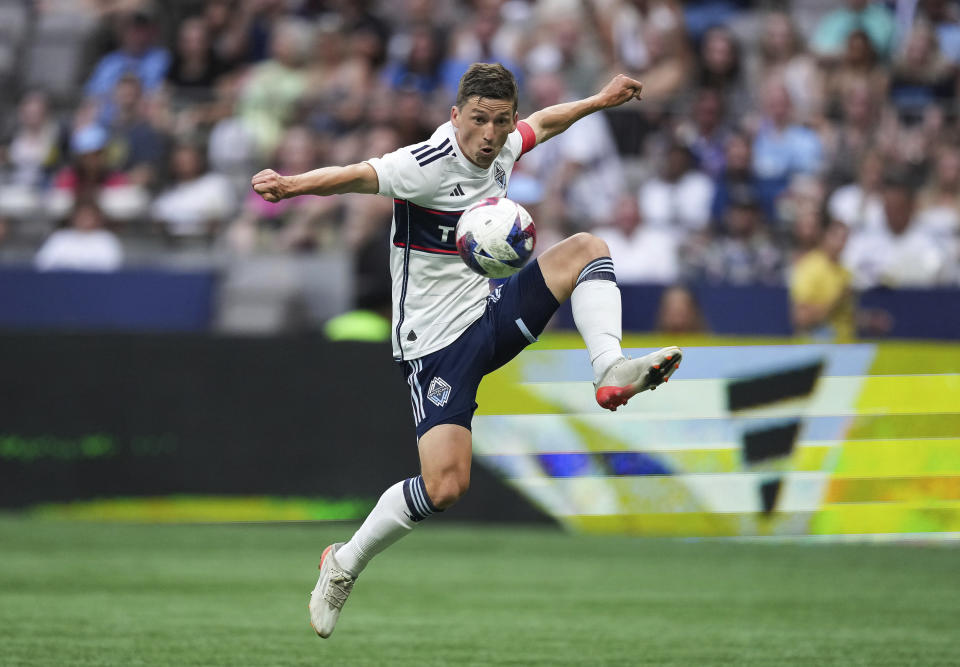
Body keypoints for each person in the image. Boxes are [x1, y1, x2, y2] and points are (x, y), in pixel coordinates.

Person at [251, 63, 682, 638]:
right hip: (432, 345)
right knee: (446, 486)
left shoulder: (503, 146)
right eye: (479, 119)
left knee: (587, 248)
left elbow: (545, 123)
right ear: (455, 117)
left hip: (489, 313)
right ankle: (343, 563)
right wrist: (292, 186)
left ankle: (610, 369)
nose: (490, 133)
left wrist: (600, 99)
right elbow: (356, 176)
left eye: (500, 121)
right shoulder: (424, 165)